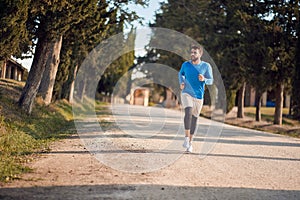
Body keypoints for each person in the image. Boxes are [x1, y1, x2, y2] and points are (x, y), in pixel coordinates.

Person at [178, 45, 213, 153]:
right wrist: (182, 82)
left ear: (200, 54)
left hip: (198, 96)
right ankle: (186, 138)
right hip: (186, 93)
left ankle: (190, 142)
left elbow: (211, 80)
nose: (192, 54)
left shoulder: (206, 66)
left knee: (194, 119)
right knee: (188, 111)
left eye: (195, 53)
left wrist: (204, 79)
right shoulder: (186, 65)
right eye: (191, 52)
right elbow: (180, 74)